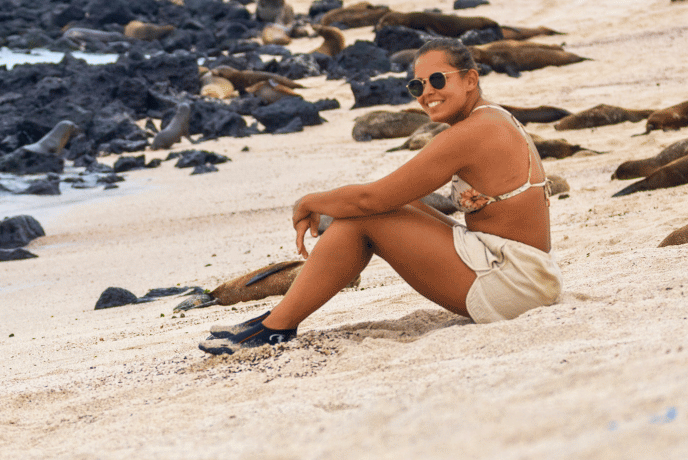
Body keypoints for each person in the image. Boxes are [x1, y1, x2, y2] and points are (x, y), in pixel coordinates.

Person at [199, 38, 562, 355]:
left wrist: (307, 203)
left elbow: (369, 199)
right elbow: (394, 197)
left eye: (438, 80)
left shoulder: (473, 132)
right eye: (416, 85)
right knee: (392, 207)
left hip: (515, 285)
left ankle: (275, 326)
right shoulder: (490, 119)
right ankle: (276, 322)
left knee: (367, 214)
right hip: (523, 272)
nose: (427, 93)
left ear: (470, 80)